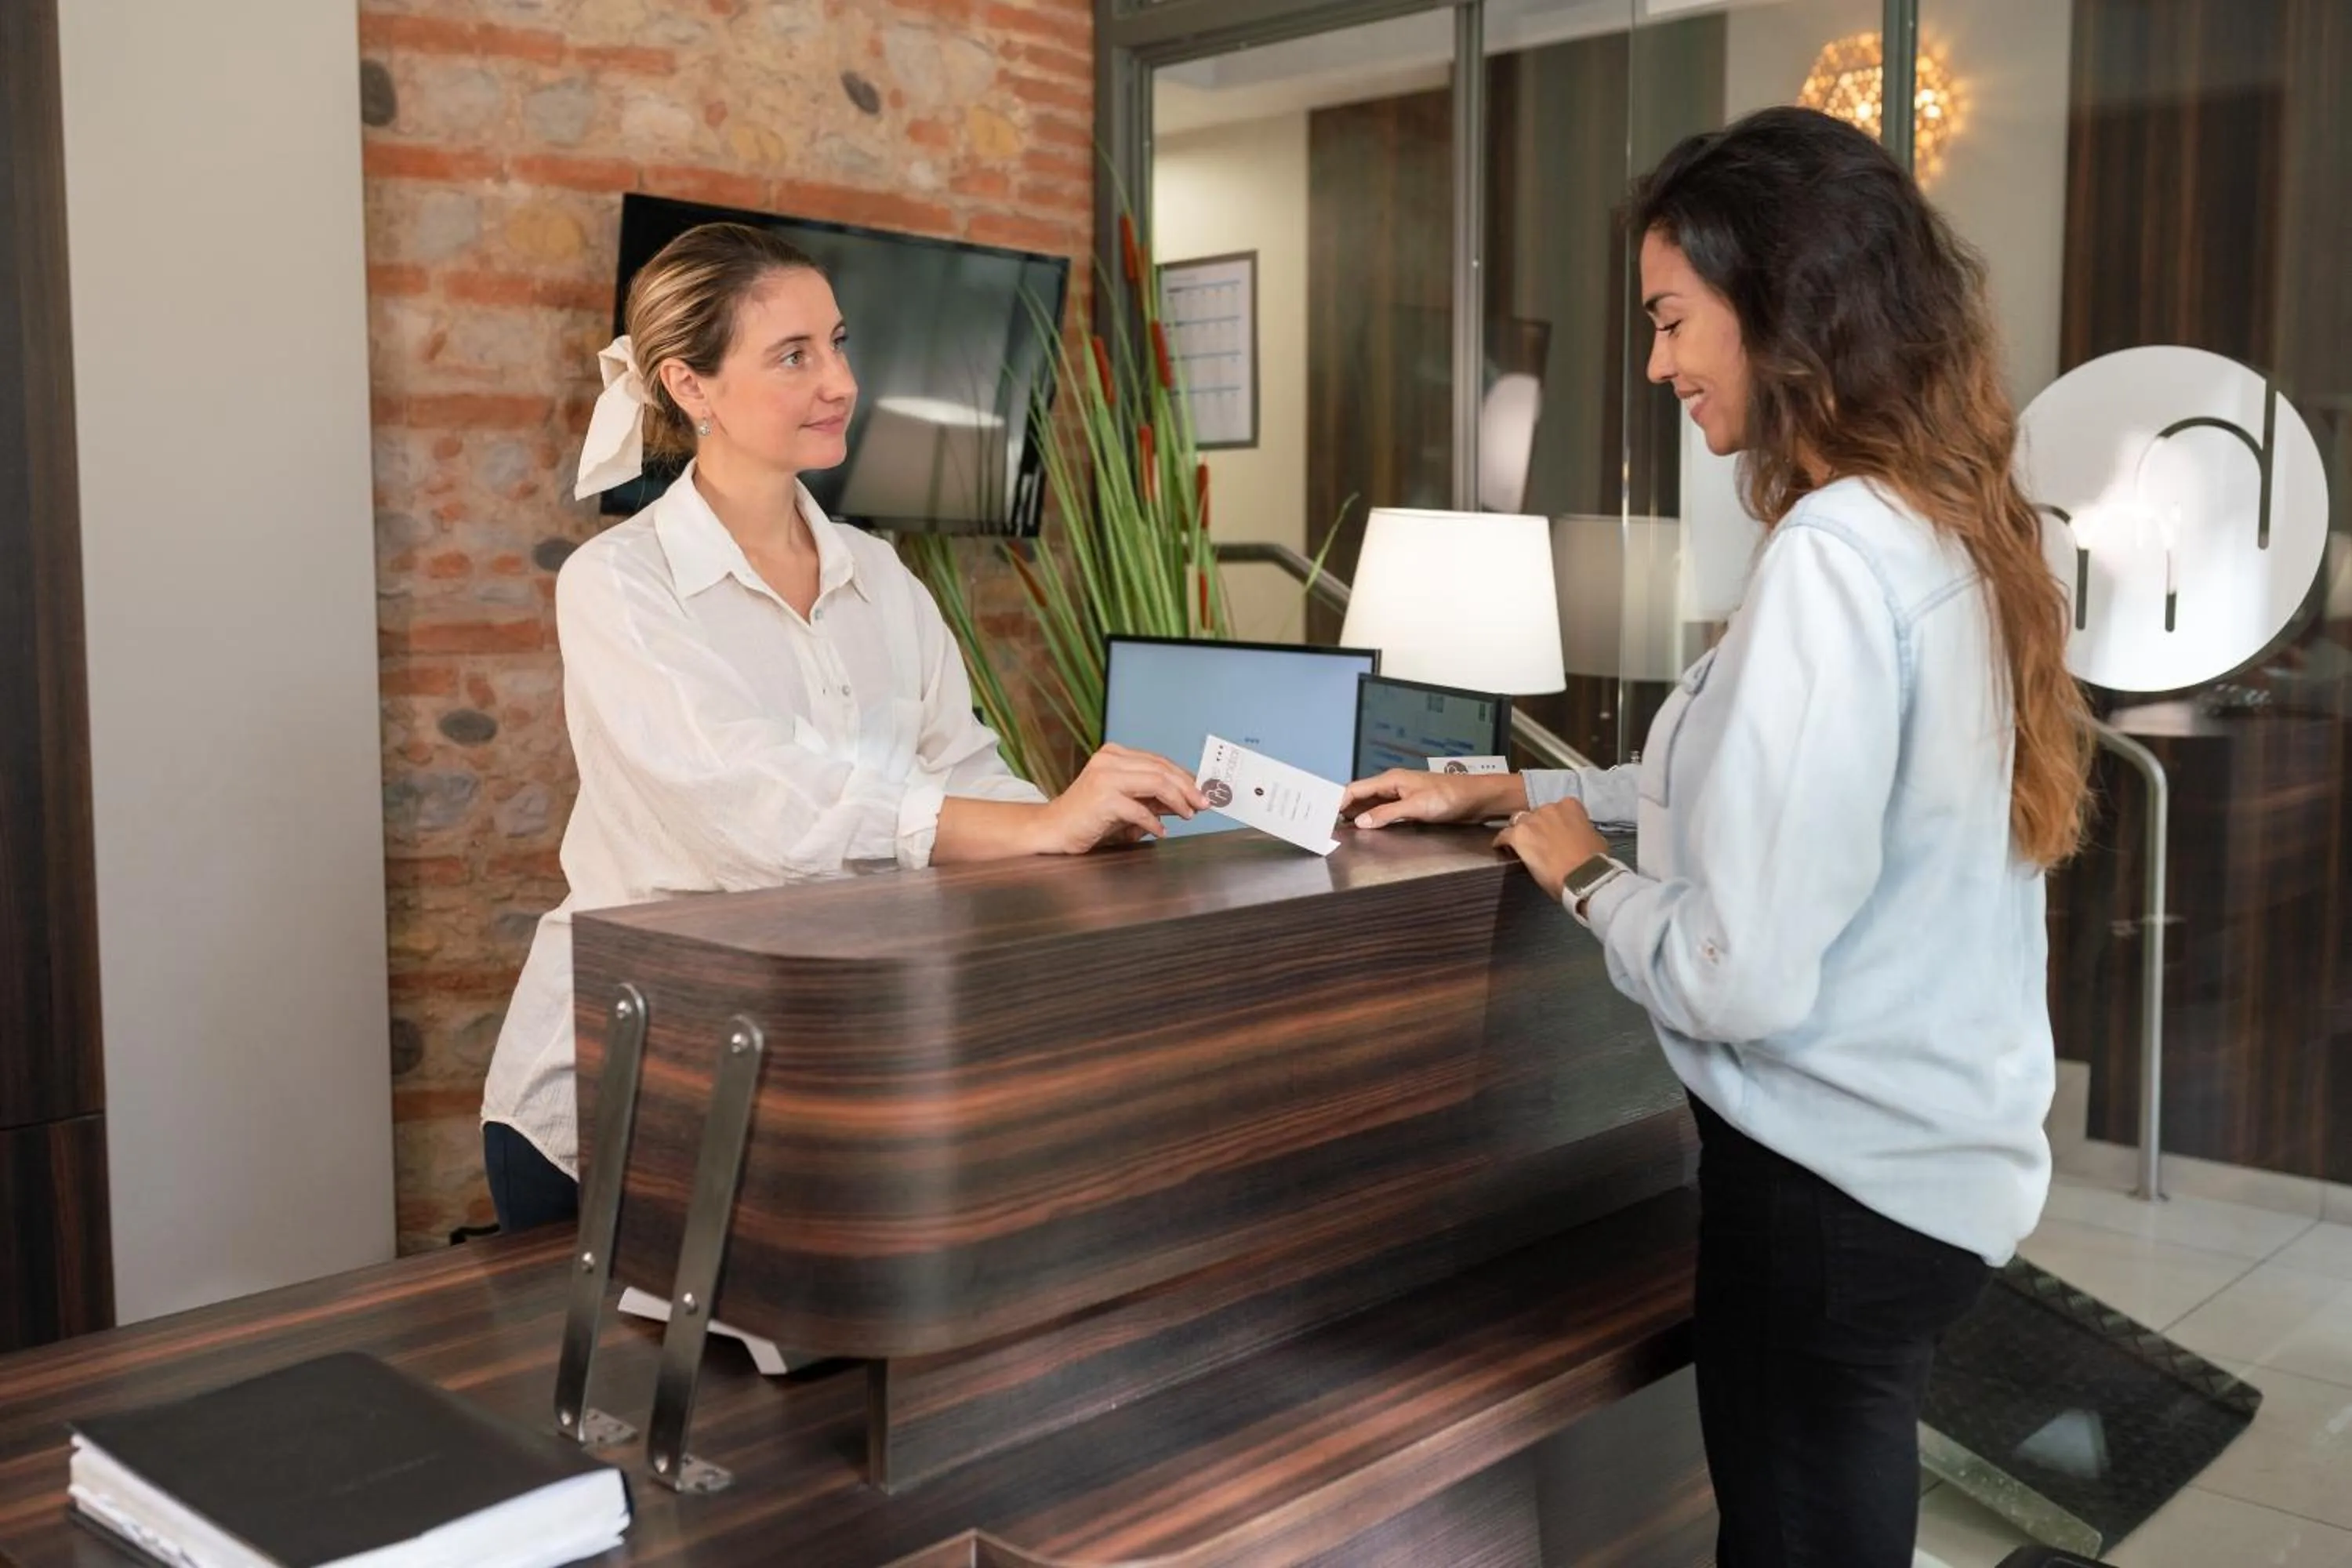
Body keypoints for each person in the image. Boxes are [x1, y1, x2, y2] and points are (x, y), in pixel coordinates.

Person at [1343, 107, 2092, 1567]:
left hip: (1829, 1197)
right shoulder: (1939, 528)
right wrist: (1520, 793)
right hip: (1932, 1177)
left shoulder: (1832, 557)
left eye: (1672, 319)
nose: (1657, 365)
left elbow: (1734, 973)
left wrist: (1585, 876)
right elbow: (1770, 784)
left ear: (1784, 304)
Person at [481, 223, 1207, 1234]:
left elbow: (966, 772)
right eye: (793, 356)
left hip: (825, 1076)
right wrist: (1034, 828)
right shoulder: (620, 584)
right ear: (690, 386)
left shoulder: (884, 578)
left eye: (838, 343)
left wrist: (1076, 830)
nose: (841, 383)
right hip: (632, 1083)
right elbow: (754, 807)